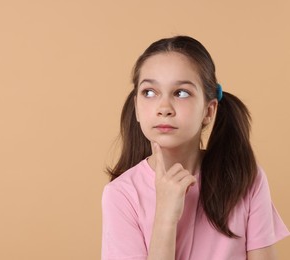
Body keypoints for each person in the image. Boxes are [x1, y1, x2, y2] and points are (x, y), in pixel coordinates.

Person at [101, 35, 289, 260]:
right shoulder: (121, 194)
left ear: (209, 111)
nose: (164, 108)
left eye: (181, 93)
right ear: (138, 108)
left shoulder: (246, 179)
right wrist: (165, 217)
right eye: (149, 92)